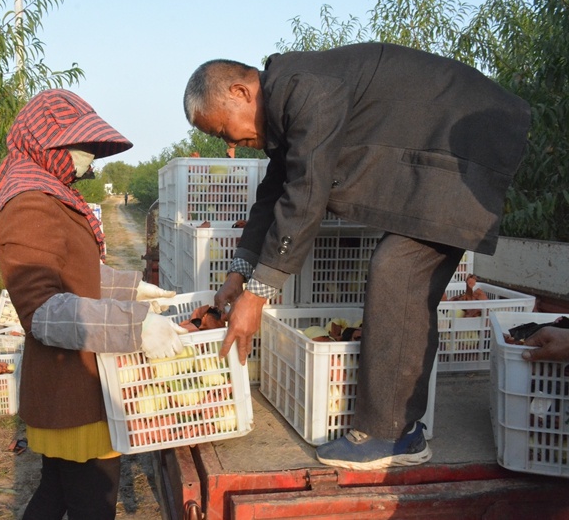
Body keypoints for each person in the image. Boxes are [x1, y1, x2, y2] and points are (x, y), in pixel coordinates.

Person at [183, 43, 531, 470]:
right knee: (400, 272)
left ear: (239, 92)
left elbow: (306, 194)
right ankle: (395, 425)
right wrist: (238, 273)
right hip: (437, 156)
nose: (231, 146)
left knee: (398, 270)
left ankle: (394, 433)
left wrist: (256, 296)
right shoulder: (285, 104)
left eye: (222, 132)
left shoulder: (304, 88)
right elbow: (273, 195)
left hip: (467, 145)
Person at [0, 89, 186, 519]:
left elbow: (77, 275)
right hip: (73, 391)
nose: (91, 159)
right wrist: (135, 326)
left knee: (56, 494)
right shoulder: (29, 205)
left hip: (72, 388)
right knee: (93, 499)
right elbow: (44, 311)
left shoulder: (48, 195)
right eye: (83, 147)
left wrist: (134, 290)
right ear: (46, 144)